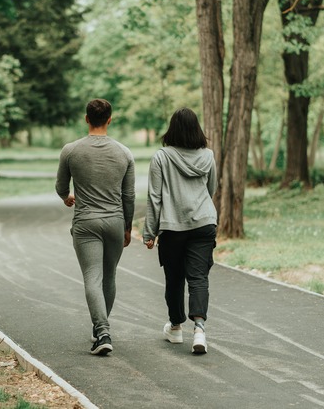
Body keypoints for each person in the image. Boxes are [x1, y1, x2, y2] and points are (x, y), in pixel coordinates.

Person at [56, 98, 135, 356]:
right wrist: (127, 227)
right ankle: (101, 328)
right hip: (114, 221)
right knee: (109, 275)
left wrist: (68, 197)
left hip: (86, 223)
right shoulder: (124, 153)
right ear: (109, 119)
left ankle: (101, 330)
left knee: (92, 276)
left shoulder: (70, 150)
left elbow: (61, 187)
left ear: (87, 119)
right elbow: (129, 196)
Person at [143, 107, 217, 354]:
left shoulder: (161, 157)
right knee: (199, 278)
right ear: (197, 129)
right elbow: (211, 188)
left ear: (172, 129)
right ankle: (199, 330)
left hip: (172, 227)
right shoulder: (208, 156)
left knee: (174, 278)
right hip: (204, 223)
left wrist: (149, 232)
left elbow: (154, 197)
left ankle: (175, 327)